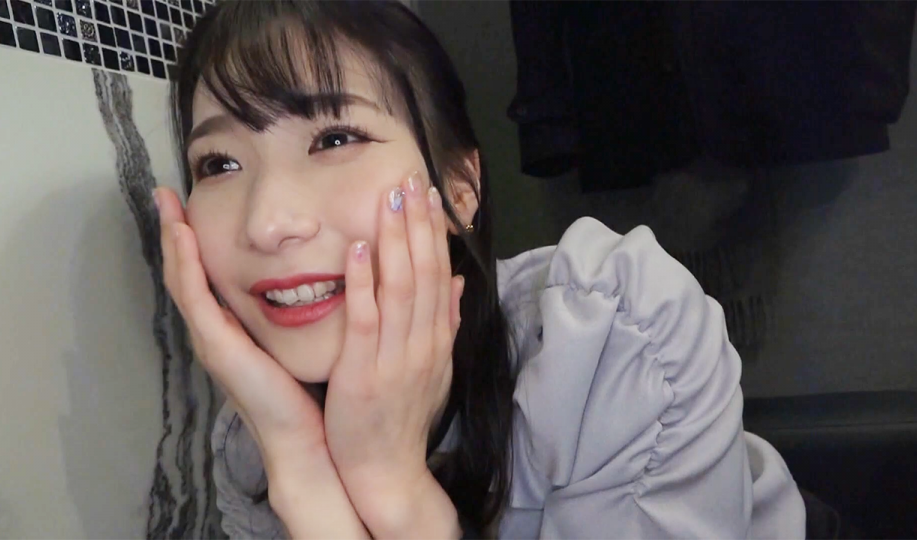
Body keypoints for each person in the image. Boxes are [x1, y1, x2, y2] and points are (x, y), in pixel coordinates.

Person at [154, 1, 806, 537]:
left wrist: (391, 487)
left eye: (334, 139)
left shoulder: (611, 335)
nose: (267, 222)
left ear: (458, 189)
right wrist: (300, 469)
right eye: (219, 164)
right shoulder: (256, 440)